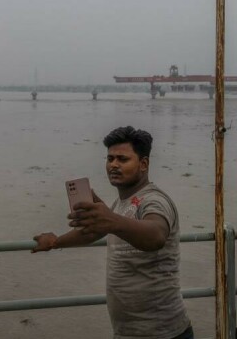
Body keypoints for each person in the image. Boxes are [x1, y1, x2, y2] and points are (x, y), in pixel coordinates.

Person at [32, 126, 193, 339]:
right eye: (110, 159)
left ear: (143, 164)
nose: (113, 165)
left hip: (163, 333)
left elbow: (156, 236)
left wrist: (112, 220)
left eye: (123, 159)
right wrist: (55, 242)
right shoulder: (121, 203)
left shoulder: (154, 200)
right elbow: (94, 232)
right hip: (128, 332)